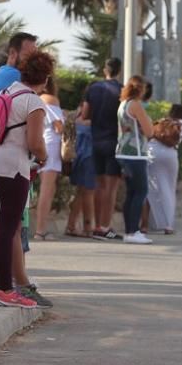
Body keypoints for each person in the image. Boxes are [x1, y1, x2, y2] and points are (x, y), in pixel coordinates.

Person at [0, 51, 51, 307]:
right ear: (44, 78)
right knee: (7, 228)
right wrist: (44, 157)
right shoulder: (33, 102)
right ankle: (5, 289)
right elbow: (35, 142)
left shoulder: (6, 92)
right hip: (14, 168)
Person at [82, 58, 124, 240]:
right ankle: (106, 226)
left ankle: (97, 225)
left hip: (95, 140)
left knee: (98, 185)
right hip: (114, 141)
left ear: (104, 69)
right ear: (119, 71)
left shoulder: (93, 89)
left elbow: (85, 114)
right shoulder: (121, 91)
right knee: (111, 187)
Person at [115, 75, 154, 244]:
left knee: (131, 193)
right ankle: (133, 231)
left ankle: (129, 231)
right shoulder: (136, 105)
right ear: (141, 89)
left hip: (122, 152)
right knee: (140, 191)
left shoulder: (123, 105)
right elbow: (149, 131)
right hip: (136, 153)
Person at [145, 103, 182, 235]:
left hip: (152, 151)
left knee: (150, 188)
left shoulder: (163, 121)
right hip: (170, 155)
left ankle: (144, 225)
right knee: (169, 189)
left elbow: (149, 134)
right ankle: (168, 225)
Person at [34, 76, 64, 240]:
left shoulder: (38, 99)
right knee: (47, 189)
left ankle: (41, 228)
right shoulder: (51, 99)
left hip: (44, 144)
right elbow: (58, 126)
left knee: (46, 189)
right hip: (52, 145)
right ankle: (40, 230)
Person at [65, 99, 96, 237]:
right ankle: (88, 227)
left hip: (77, 159)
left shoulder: (76, 119)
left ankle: (71, 225)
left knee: (80, 192)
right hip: (88, 159)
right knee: (88, 193)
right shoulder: (92, 124)